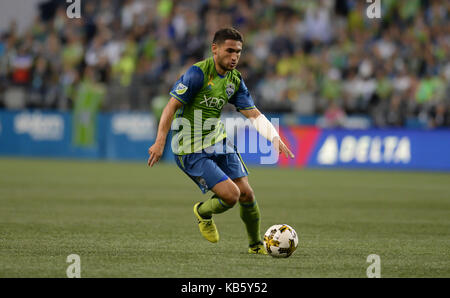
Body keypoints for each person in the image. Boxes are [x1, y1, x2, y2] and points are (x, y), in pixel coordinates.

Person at [147, 28, 294, 254]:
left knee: (247, 194)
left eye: (238, 52)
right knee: (231, 195)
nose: (234, 57)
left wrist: (274, 136)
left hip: (218, 141)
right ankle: (203, 212)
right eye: (229, 51)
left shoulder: (234, 80)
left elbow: (253, 113)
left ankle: (255, 245)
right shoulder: (198, 74)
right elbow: (171, 106)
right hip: (190, 149)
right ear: (214, 49)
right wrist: (160, 142)